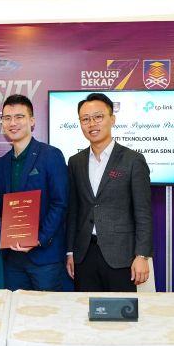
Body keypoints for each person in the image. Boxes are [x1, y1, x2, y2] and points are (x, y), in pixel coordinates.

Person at [0, 94, 68, 290]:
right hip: (13, 259)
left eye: (19, 117)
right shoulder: (2, 163)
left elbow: (60, 203)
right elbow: (1, 206)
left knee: (46, 308)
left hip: (44, 258)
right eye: (7, 118)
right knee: (15, 308)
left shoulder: (51, 155)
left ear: (32, 121)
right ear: (2, 122)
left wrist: (39, 239)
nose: (13, 123)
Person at [66, 92, 153, 292]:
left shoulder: (133, 160)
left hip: (121, 256)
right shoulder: (75, 162)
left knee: (121, 310)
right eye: (85, 119)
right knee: (85, 308)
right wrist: (70, 251)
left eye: (98, 117)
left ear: (112, 119)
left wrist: (141, 255)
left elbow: (143, 212)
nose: (92, 124)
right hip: (84, 255)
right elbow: (73, 211)